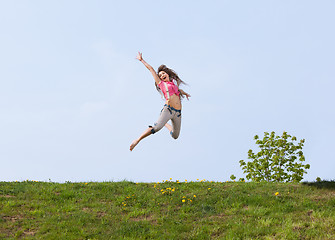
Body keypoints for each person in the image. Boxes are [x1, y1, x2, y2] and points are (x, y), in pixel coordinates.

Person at [130, 52, 191, 151]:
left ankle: (165, 124)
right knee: (156, 128)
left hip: (178, 114)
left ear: (167, 74)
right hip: (168, 110)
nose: (162, 75)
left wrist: (185, 93)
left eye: (163, 73)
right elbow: (151, 69)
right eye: (160, 75)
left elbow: (179, 91)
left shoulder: (173, 84)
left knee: (175, 136)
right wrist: (142, 60)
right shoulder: (161, 84)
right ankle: (138, 140)